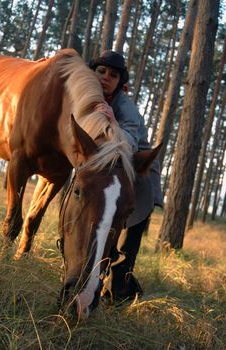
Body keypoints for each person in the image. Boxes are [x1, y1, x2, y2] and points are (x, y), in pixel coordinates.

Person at [89, 50, 163, 302]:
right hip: (114, 177)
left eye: (113, 75)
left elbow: (130, 142)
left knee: (127, 240)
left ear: (121, 82)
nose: (105, 78)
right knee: (106, 235)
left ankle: (120, 296)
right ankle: (120, 288)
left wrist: (114, 123)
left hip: (140, 174)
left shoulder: (125, 106)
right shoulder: (89, 95)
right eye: (101, 71)